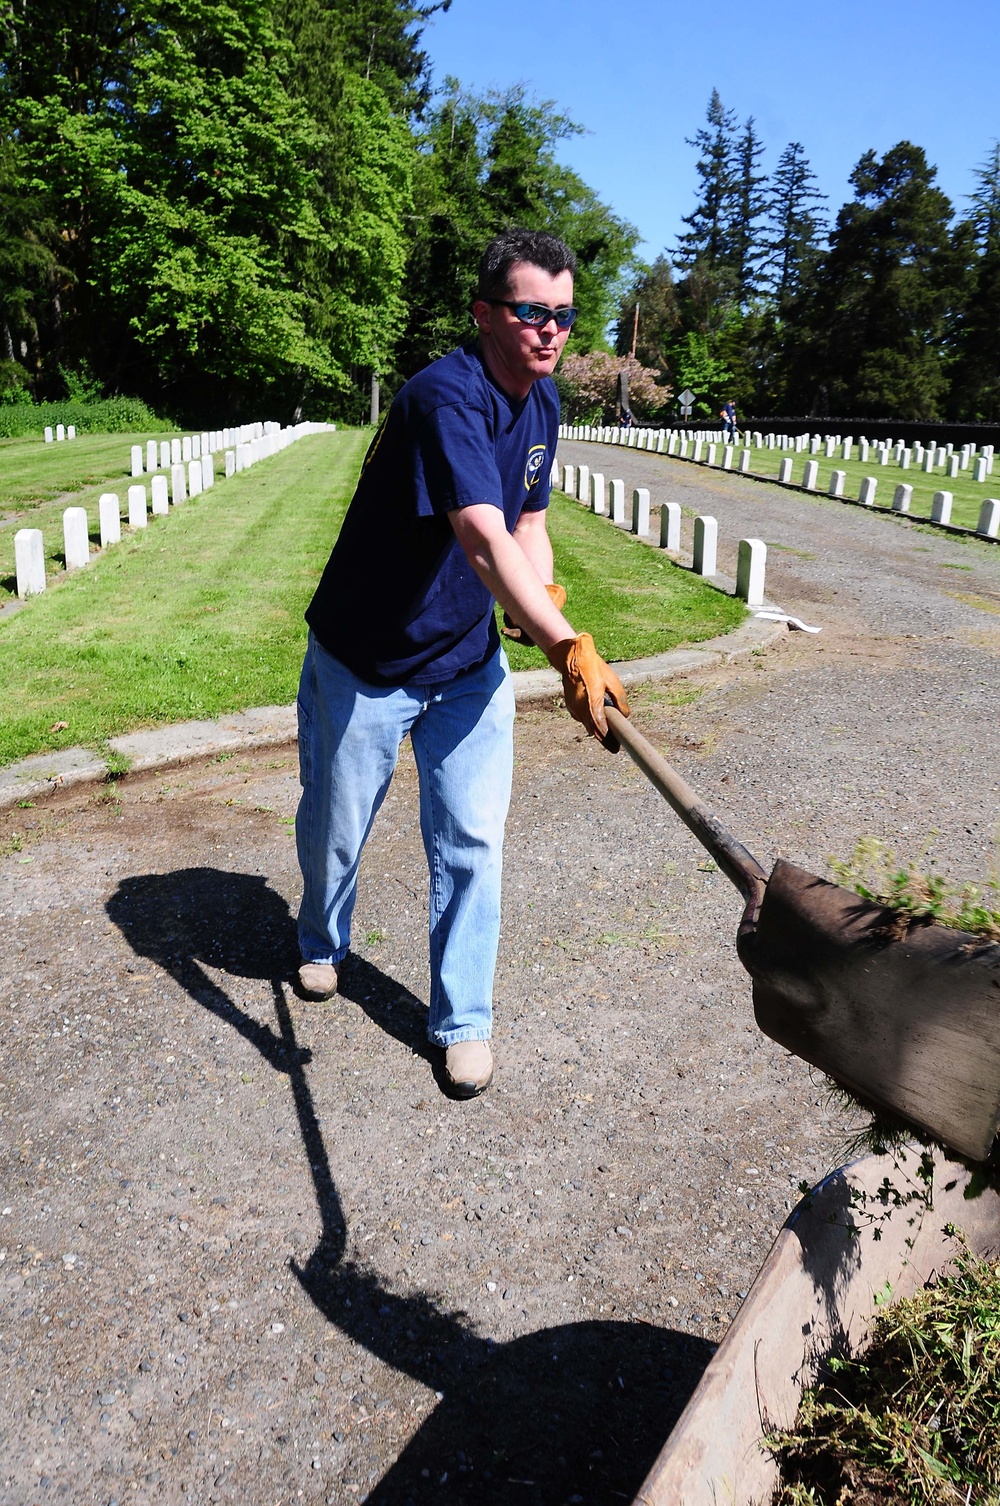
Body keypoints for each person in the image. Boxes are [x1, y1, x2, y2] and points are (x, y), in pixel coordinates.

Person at [294, 228, 630, 1099]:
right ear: (484, 314)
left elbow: (524, 523)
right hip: (367, 657)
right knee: (338, 826)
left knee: (473, 839)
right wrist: (565, 645)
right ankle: (321, 940)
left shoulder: (545, 403)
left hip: (465, 662)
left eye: (563, 315)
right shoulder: (446, 397)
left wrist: (543, 599)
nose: (550, 331)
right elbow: (480, 537)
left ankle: (463, 1020)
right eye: (531, 312)